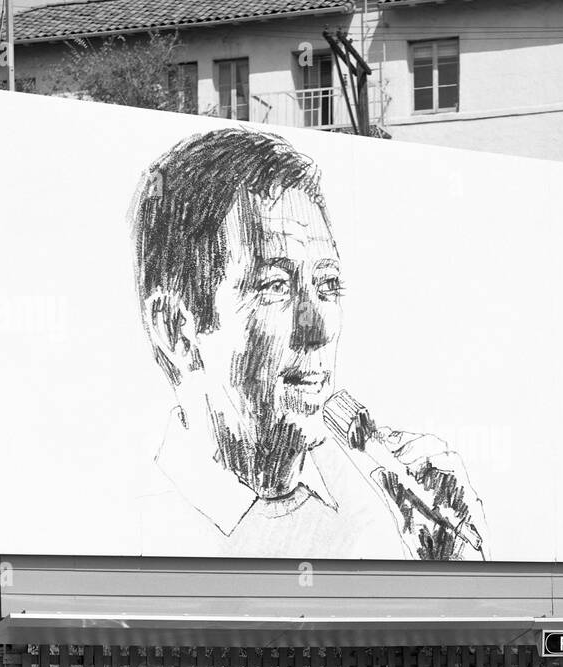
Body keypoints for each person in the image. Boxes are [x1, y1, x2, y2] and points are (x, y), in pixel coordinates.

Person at [129, 126, 486, 560]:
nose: (318, 328)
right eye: (275, 286)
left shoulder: (386, 506)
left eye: (328, 284)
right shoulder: (135, 524)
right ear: (176, 330)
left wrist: (450, 565)